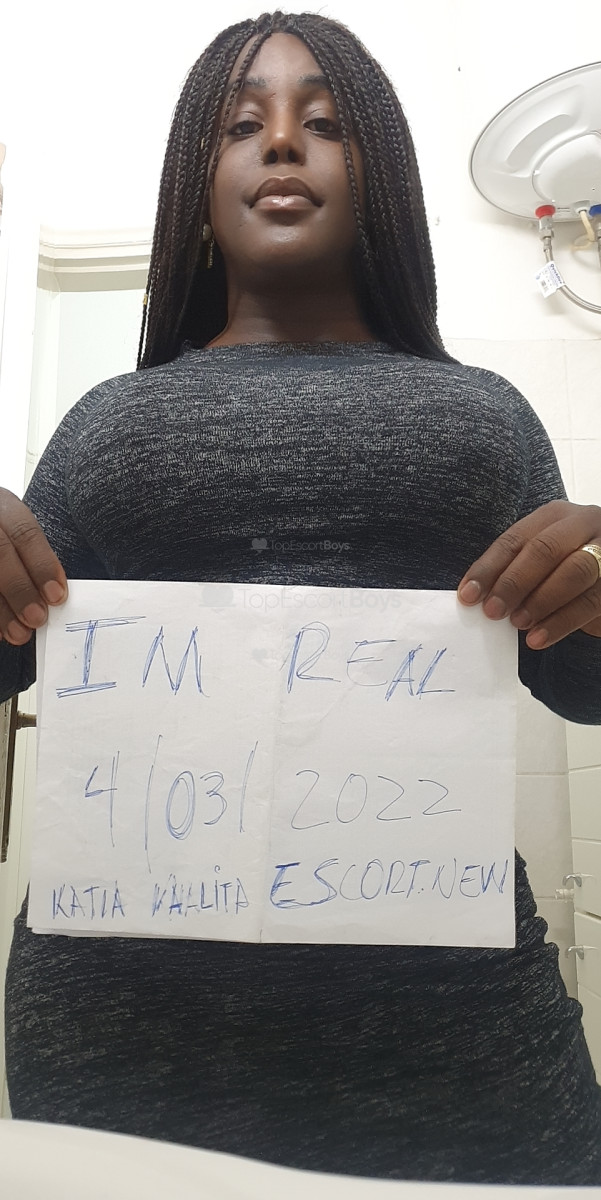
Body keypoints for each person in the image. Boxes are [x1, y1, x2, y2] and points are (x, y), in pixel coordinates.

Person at [1, 8, 601, 1186]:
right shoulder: (104, 425)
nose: (281, 141)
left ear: (381, 177)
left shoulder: (483, 420)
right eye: (241, 125)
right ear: (194, 187)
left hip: (458, 1045)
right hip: (122, 1043)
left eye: (323, 121)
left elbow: (581, 684)